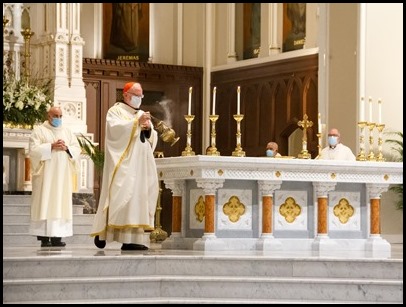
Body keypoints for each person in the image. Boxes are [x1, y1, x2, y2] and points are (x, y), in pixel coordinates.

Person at [91, 81, 159, 251]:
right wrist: (136, 123)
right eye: (136, 95)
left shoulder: (142, 113)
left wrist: (149, 129)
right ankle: (115, 236)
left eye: (141, 95)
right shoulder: (115, 111)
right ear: (126, 94)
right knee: (124, 197)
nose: (139, 98)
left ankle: (132, 238)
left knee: (139, 197)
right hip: (126, 166)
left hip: (142, 164)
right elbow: (115, 132)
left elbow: (151, 137)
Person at [29, 106, 81, 247]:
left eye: (60, 116)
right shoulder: (39, 130)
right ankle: (45, 238)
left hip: (62, 176)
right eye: (55, 115)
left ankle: (58, 237)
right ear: (49, 116)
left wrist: (67, 148)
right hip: (45, 176)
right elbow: (33, 150)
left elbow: (77, 148)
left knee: (60, 202)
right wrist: (50, 146)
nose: (58, 118)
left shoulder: (67, 131)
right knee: (45, 202)